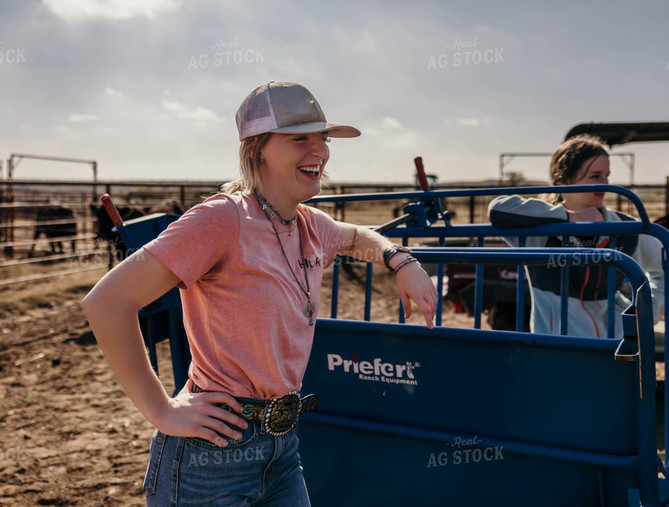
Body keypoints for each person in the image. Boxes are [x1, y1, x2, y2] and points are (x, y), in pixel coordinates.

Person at [82, 81, 438, 506]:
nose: (320, 151)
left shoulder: (309, 224)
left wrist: (402, 261)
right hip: (212, 455)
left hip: (281, 449)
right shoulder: (221, 219)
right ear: (258, 149)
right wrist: (160, 410)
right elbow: (106, 302)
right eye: (299, 139)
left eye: (323, 138)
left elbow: (357, 236)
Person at [488, 134, 664, 338]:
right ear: (565, 180)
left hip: (614, 348)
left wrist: (646, 313)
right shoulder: (540, 231)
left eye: (607, 175)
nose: (605, 183)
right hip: (558, 349)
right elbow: (498, 210)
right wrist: (568, 218)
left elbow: (663, 271)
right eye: (595, 176)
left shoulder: (626, 228)